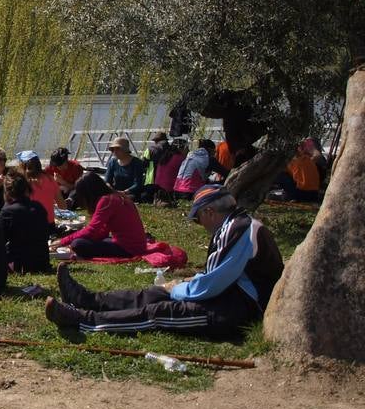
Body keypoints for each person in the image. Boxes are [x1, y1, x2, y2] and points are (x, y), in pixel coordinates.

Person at [45, 184, 283, 338]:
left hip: (236, 308)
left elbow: (213, 285)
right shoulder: (235, 225)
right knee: (153, 294)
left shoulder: (238, 230)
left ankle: (85, 321)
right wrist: (179, 286)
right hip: (228, 295)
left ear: (210, 212)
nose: (201, 225)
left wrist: (177, 289)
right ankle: (87, 300)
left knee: (160, 311)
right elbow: (217, 274)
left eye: (198, 219)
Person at [51, 172, 148, 259]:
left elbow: (92, 230)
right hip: (137, 245)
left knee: (78, 244)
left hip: (129, 249)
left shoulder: (106, 201)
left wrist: (63, 241)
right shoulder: (115, 196)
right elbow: (102, 231)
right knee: (81, 240)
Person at [0, 173, 51, 274]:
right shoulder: (38, 206)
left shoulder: (8, 212)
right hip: (42, 262)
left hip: (21, 265)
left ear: (7, 191)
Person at [104, 136, 147, 200]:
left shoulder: (137, 163)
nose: (114, 152)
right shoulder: (112, 162)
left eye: (117, 149)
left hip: (132, 193)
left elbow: (138, 184)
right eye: (113, 150)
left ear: (125, 150)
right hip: (116, 192)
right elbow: (107, 180)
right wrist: (110, 189)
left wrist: (124, 192)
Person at [152, 139, 186, 206]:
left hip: (157, 190)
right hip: (170, 191)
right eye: (187, 148)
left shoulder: (165, 157)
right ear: (182, 148)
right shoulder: (180, 158)